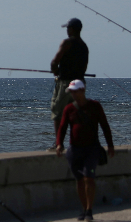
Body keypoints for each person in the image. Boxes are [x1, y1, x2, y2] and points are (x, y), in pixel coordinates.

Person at [55, 79, 115, 221]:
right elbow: (62, 128)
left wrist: (110, 145)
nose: (73, 95)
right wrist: (59, 144)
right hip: (75, 150)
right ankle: (84, 209)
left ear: (82, 90)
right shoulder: (69, 108)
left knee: (89, 178)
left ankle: (89, 210)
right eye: (71, 92)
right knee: (80, 180)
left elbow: (105, 126)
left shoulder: (95, 106)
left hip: (92, 149)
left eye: (75, 92)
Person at [50, 18, 89, 143]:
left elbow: (54, 62)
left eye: (68, 28)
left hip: (65, 83)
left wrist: (56, 71)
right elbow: (84, 68)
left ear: (71, 29)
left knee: (58, 112)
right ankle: (76, 142)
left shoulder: (66, 43)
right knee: (76, 114)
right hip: (80, 84)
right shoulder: (84, 46)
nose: (67, 30)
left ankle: (58, 143)